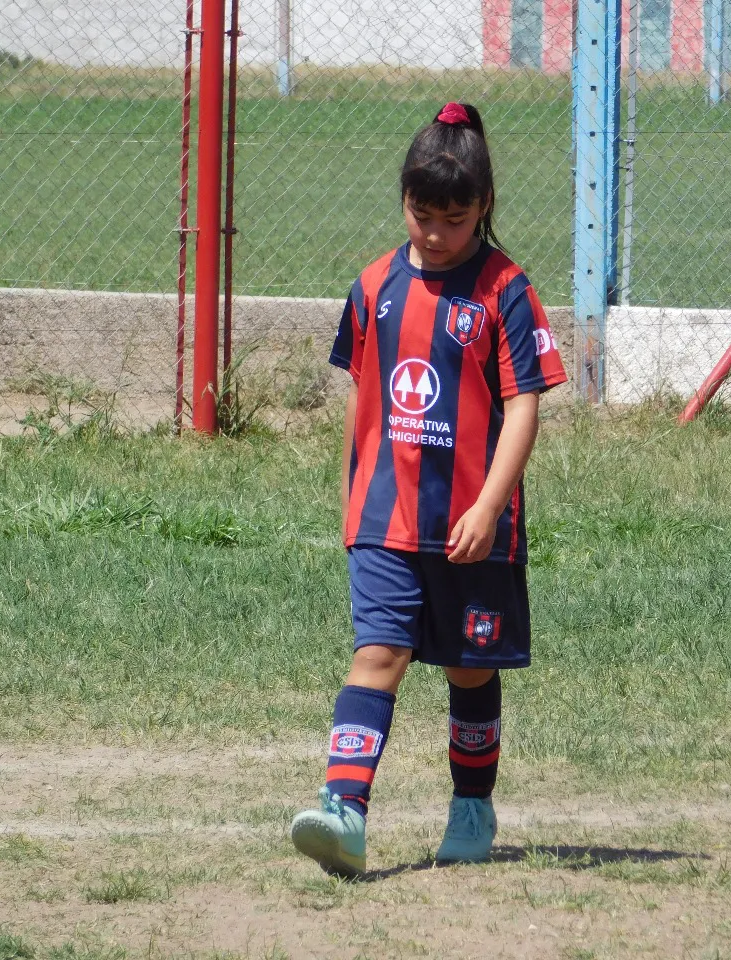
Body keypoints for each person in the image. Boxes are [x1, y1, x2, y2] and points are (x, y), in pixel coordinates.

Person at [289, 102, 568, 877]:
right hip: (385, 520)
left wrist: (488, 506)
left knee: (469, 671)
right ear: (402, 201)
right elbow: (365, 393)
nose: (437, 232)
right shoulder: (373, 284)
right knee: (377, 653)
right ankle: (344, 811)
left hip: (470, 527)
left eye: (456, 217)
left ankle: (471, 808)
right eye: (423, 214)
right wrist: (354, 496)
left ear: (484, 207)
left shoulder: (505, 290)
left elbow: (525, 404)